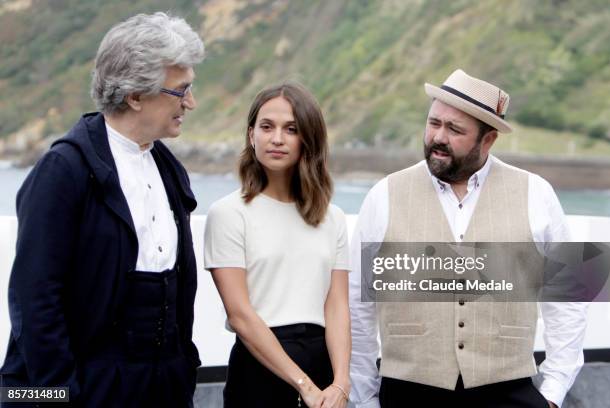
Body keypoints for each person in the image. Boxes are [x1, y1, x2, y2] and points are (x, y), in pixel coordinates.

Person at [349, 69, 588, 408]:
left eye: (455, 129)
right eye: (434, 123)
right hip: (407, 393)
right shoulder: (382, 195)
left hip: (509, 392)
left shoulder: (538, 193)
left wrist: (553, 390)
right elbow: (357, 306)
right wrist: (365, 398)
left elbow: (570, 297)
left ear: (487, 140)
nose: (438, 137)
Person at [0, 12, 205, 407]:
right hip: (85, 389)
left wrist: (182, 370)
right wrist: (63, 396)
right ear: (135, 95)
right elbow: (35, 298)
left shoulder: (169, 170)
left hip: (161, 387)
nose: (191, 103)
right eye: (181, 91)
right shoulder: (63, 170)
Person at [204, 82, 351, 408]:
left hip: (323, 367)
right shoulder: (228, 213)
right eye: (267, 127)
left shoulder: (333, 218)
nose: (277, 138)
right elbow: (241, 316)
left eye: (292, 129)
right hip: (260, 368)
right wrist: (304, 386)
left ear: (308, 139)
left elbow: (337, 306)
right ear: (251, 135)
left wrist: (341, 381)